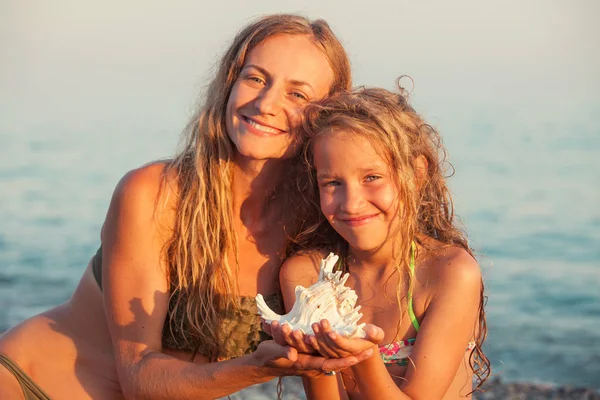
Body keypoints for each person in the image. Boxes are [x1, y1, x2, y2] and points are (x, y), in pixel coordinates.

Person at [0, 14, 380, 400]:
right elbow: (139, 378)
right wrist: (259, 367)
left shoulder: (318, 224)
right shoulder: (155, 194)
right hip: (29, 386)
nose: (266, 103)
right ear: (229, 83)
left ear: (326, 114)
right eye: (255, 78)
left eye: (297, 94)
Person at [266, 85, 491, 399]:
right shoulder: (307, 277)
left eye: (372, 177)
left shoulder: (449, 272)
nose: (352, 203)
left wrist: (363, 356)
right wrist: (316, 361)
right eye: (332, 183)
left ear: (416, 174)